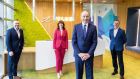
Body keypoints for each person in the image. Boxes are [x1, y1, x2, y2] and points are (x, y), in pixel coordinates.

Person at [72, 11, 97, 79]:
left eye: (87, 16)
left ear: (89, 17)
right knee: (79, 75)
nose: (85, 18)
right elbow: (74, 42)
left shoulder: (93, 28)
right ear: (81, 17)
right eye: (84, 16)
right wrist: (79, 53)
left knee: (90, 75)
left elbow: (94, 42)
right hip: (78, 55)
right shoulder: (76, 27)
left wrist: (89, 54)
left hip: (89, 55)